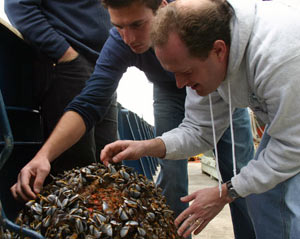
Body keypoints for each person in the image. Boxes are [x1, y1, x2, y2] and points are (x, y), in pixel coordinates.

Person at [8, 0, 255, 238]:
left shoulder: (198, 18)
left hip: (218, 84)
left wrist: (228, 191)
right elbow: (89, 103)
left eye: (137, 25)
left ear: (163, 8)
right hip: (168, 89)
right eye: (118, 26)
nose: (129, 38)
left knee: (240, 172)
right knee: (172, 175)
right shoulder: (120, 41)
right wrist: (44, 156)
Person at [101, 0, 300, 238]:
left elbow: (291, 146)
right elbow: (198, 129)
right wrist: (146, 146)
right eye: (174, 73)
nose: (179, 84)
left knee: (275, 196)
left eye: (185, 72)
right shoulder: (208, 60)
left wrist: (226, 191)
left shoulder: (279, 56)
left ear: (219, 50)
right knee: (262, 193)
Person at [4, 0, 118, 175]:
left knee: (111, 164)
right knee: (76, 170)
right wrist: (65, 54)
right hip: (71, 67)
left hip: (104, 70)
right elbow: (17, 5)